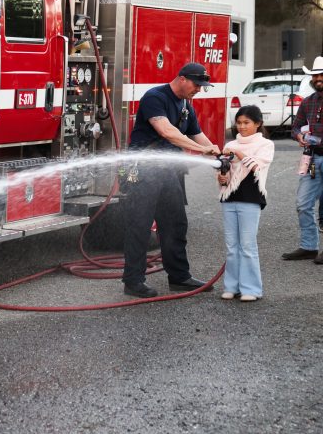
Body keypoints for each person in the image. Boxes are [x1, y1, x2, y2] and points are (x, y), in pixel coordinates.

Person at [122, 62, 221, 298]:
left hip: (167, 171)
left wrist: (218, 152)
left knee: (175, 223)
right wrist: (200, 150)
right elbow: (167, 131)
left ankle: (179, 277)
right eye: (197, 84)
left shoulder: (186, 105)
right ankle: (133, 281)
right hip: (143, 169)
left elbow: (196, 133)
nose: (199, 89)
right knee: (140, 226)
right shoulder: (154, 97)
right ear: (183, 79)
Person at [216, 105, 274, 301]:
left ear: (258, 124)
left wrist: (238, 154)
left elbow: (256, 167)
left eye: (246, 123)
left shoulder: (265, 145)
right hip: (229, 199)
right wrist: (222, 177)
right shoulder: (232, 144)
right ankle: (231, 286)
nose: (241, 126)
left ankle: (251, 289)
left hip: (251, 199)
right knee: (232, 246)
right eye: (239, 122)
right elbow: (226, 172)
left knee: (247, 246)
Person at [281, 56, 323, 265]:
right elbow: (295, 127)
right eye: (315, 75)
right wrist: (299, 136)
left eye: (321, 74)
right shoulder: (308, 102)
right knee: (303, 204)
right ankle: (309, 247)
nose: (318, 78)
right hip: (312, 158)